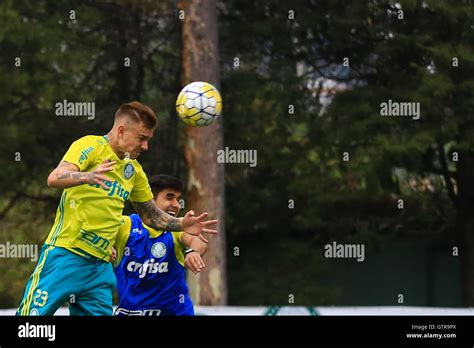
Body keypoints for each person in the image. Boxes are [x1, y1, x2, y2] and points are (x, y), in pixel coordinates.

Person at [17, 102, 217, 316]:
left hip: (100, 267)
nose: (145, 146)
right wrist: (87, 175)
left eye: (148, 139)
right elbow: (55, 177)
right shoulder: (90, 146)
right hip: (67, 254)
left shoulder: (134, 170)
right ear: (121, 131)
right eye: (142, 138)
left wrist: (182, 224)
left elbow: (151, 216)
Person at [114, 174, 207, 316]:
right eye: (170, 197)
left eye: (178, 199)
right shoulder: (127, 225)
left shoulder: (177, 227)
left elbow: (198, 241)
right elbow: (99, 238)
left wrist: (192, 251)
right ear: (149, 200)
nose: (176, 205)